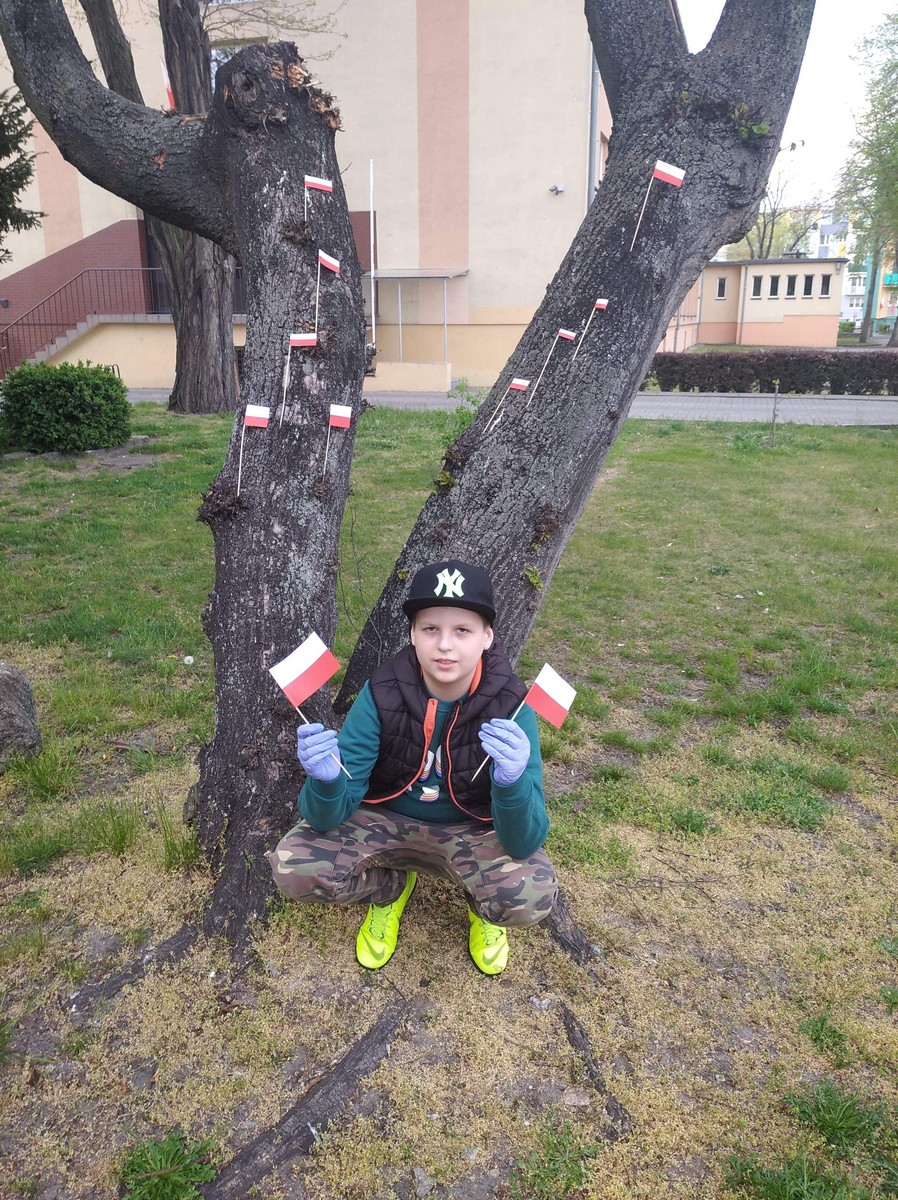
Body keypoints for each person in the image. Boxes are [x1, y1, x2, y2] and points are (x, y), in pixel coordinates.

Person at [269, 560, 557, 976]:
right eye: (430, 629)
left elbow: (525, 840)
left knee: (528, 896)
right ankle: (390, 889)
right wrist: (326, 780)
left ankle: (483, 908)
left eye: (462, 630)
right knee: (293, 868)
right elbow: (323, 818)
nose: (445, 645)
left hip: (468, 829)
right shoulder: (381, 691)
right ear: (413, 635)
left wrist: (511, 784)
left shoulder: (514, 706)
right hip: (384, 820)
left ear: (487, 637)